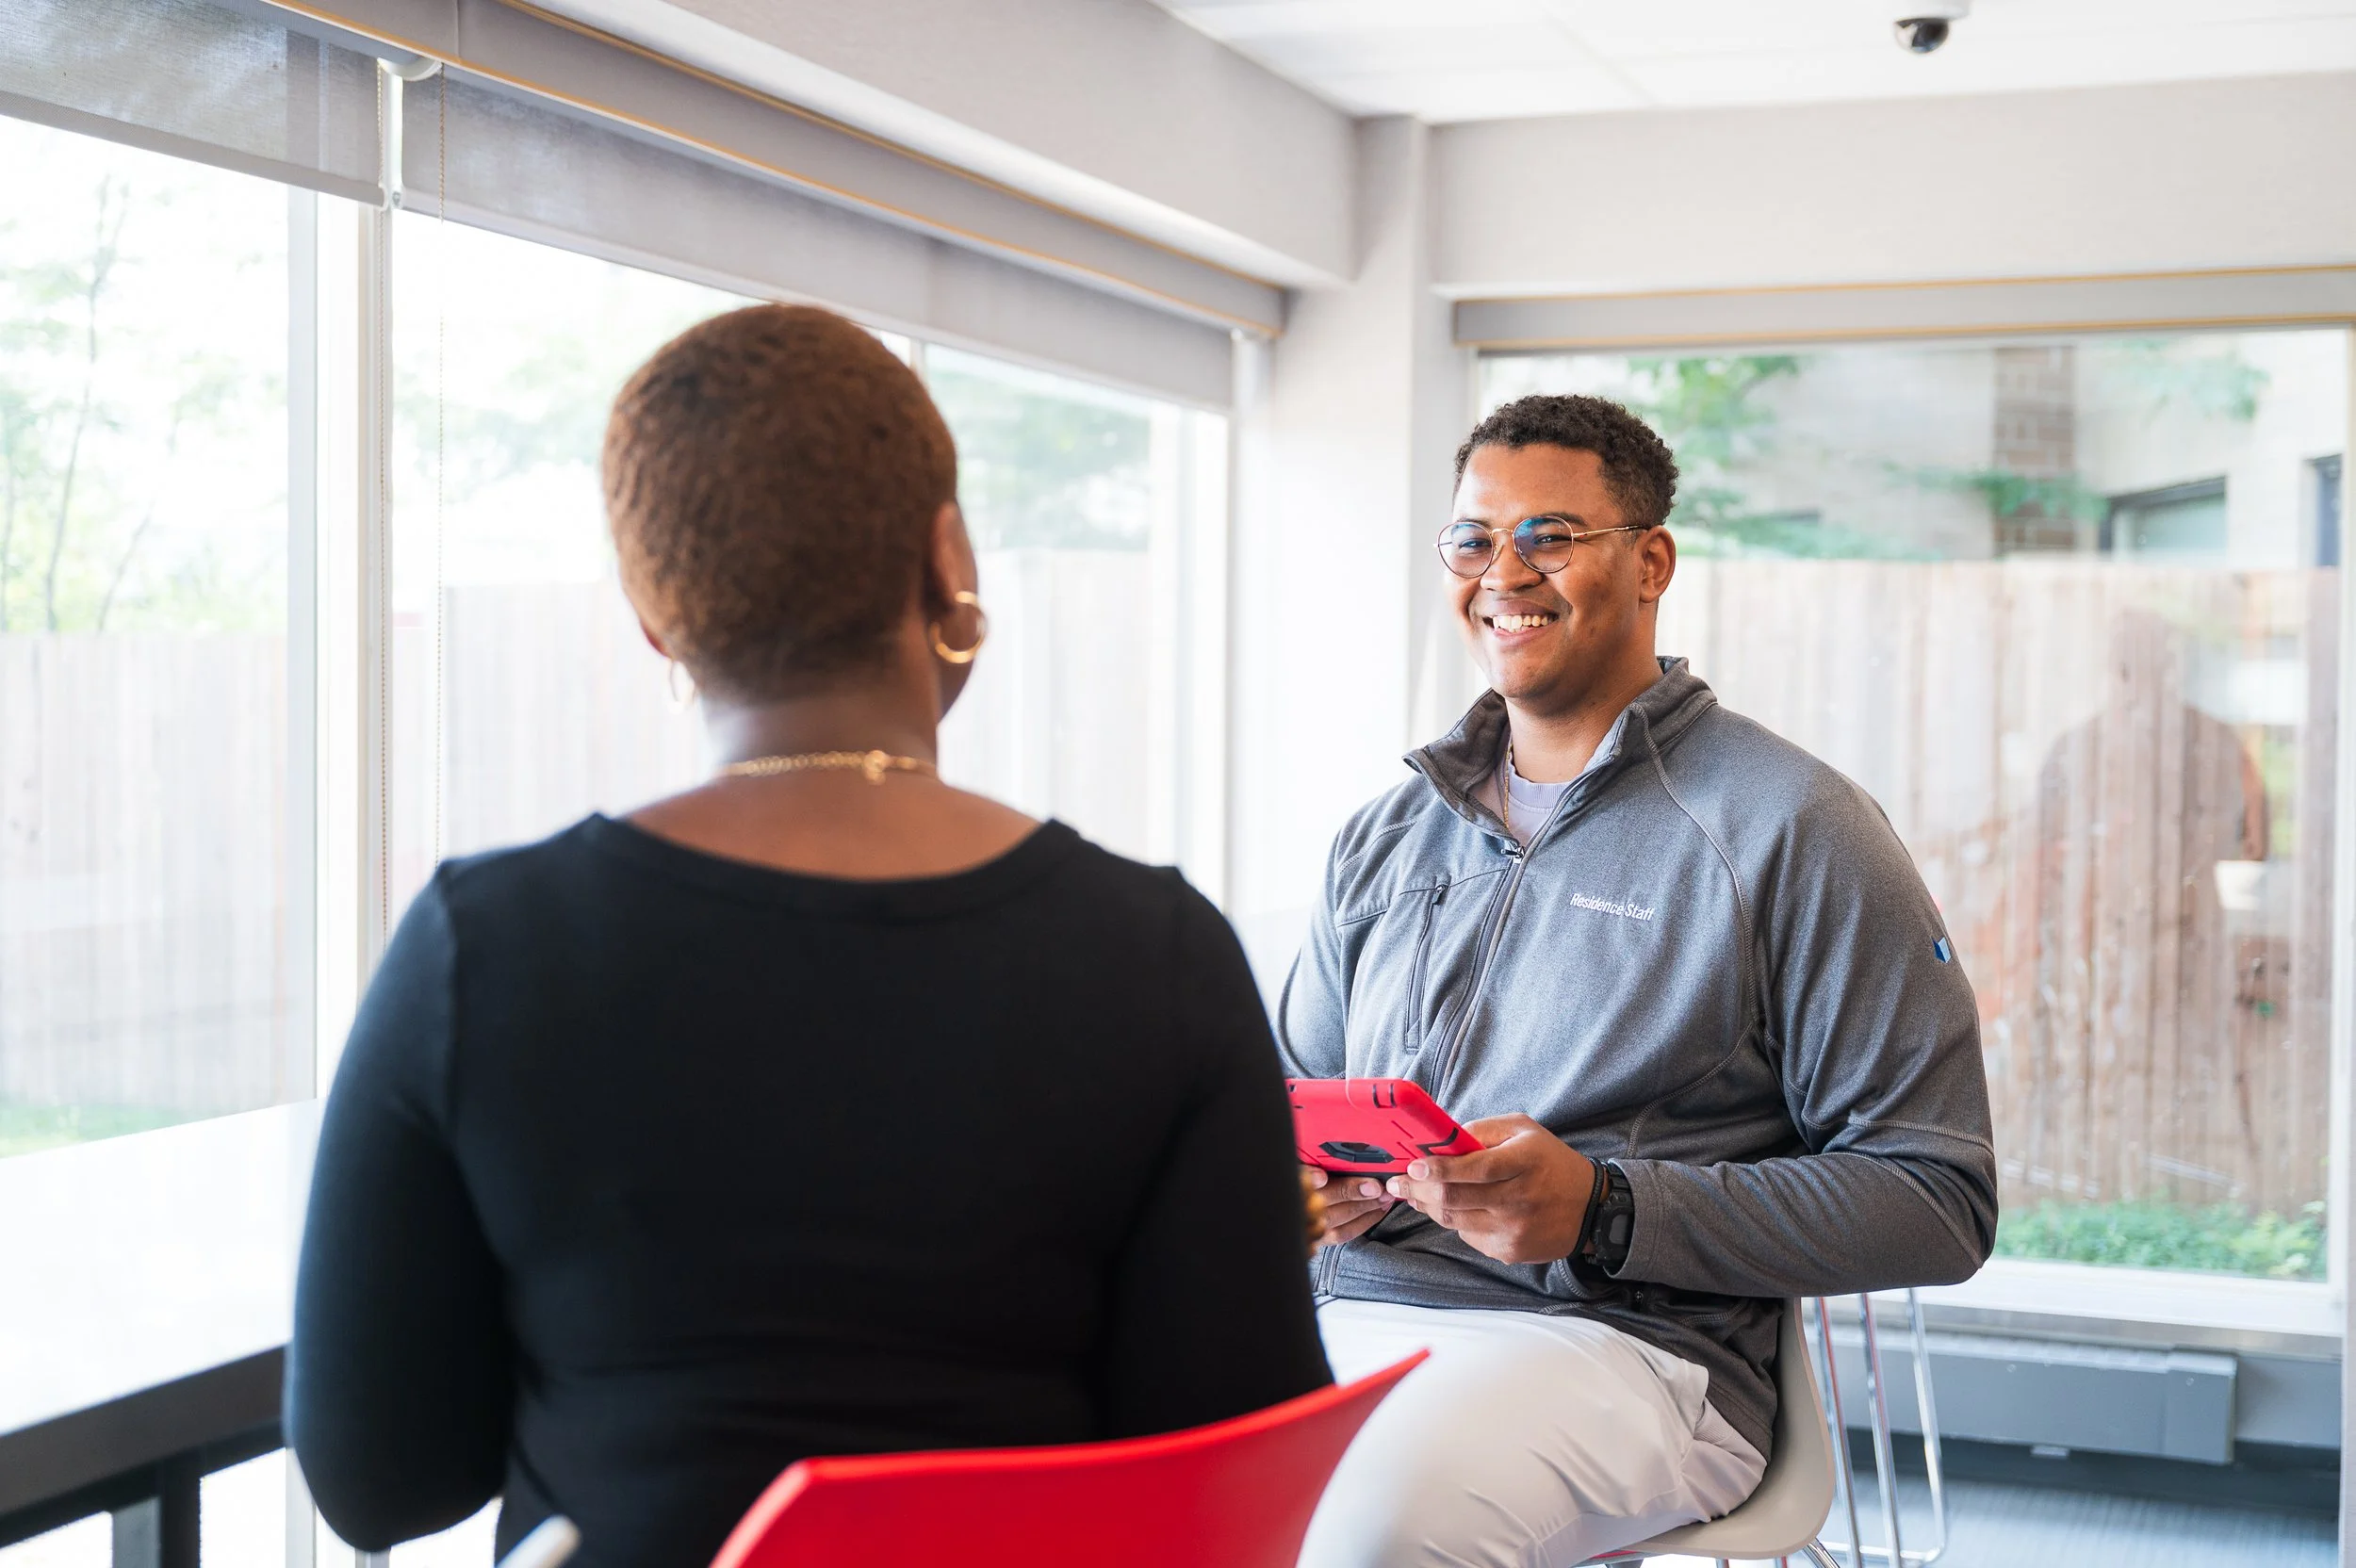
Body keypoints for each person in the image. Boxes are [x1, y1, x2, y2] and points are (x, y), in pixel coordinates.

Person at [286, 304, 1331, 1568]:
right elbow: (1233, 1469)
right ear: (949, 557)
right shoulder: (1157, 952)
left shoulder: (480, 948)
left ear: (655, 615)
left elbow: (381, 1481)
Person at [1283, 394, 1998, 1568]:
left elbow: (1936, 1198)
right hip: (1341, 1310)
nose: (1501, 570)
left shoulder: (1792, 825)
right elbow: (1291, 1098)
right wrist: (1299, 1187)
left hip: (1621, 1344)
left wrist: (1605, 1210)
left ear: (1650, 559)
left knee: (1365, 1533)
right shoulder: (1384, 835)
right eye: (1473, 538)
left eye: (1549, 535)